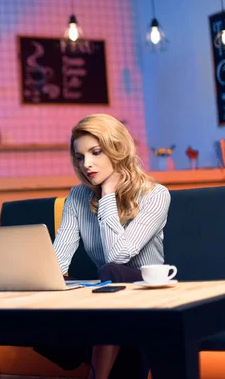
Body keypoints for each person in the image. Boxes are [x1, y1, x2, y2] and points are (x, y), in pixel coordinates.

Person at [35, 114, 171, 379]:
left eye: (96, 152)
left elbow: (118, 255)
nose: (87, 164)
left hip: (148, 294)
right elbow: (58, 261)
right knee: (93, 287)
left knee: (113, 271)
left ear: (117, 149)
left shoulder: (155, 195)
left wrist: (108, 195)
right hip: (108, 298)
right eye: (79, 156)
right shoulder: (78, 196)